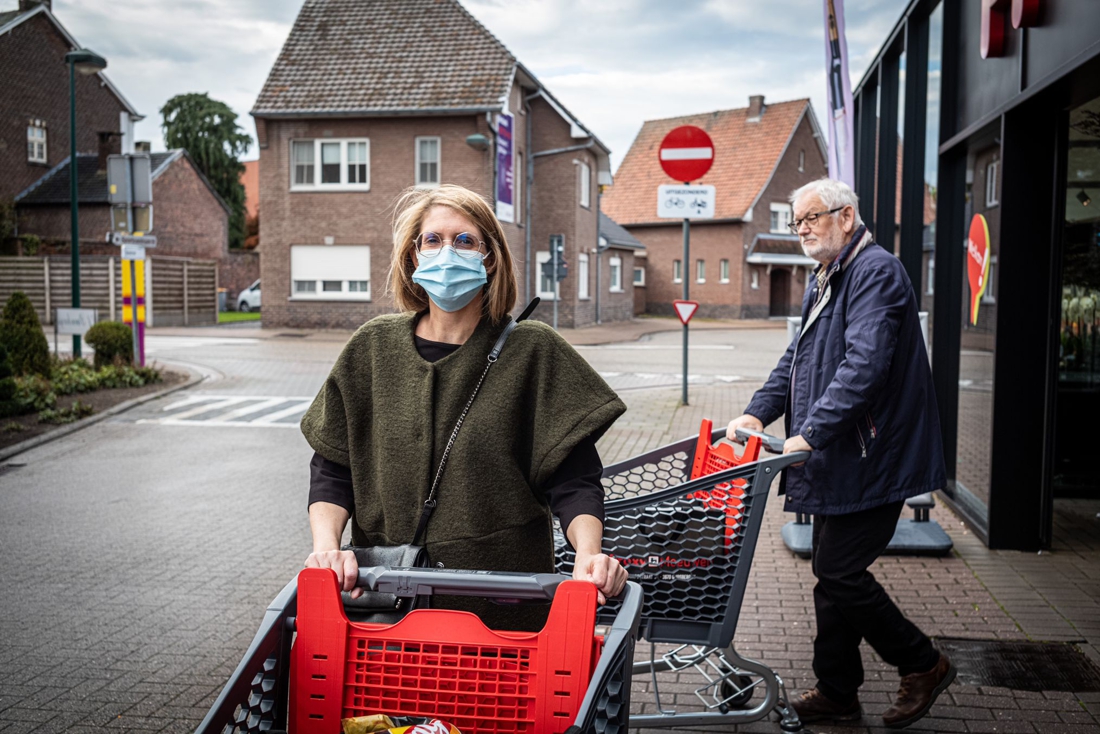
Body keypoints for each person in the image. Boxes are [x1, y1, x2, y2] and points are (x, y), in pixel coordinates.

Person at [300, 184, 628, 631]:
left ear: (489, 257)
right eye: (432, 240)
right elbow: (334, 466)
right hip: (385, 603)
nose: (446, 252)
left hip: (502, 607)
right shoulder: (372, 348)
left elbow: (574, 479)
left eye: (465, 240)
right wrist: (327, 548)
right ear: (413, 255)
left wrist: (590, 557)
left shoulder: (534, 351)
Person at [727, 178, 954, 729]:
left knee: (838, 570)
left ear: (846, 217)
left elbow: (865, 367)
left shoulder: (875, 272)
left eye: (810, 218)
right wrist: (759, 412)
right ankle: (837, 691)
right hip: (843, 458)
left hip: (873, 455)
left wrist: (813, 433)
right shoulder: (828, 275)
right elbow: (797, 358)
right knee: (833, 575)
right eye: (796, 222)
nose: (801, 229)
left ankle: (922, 663)